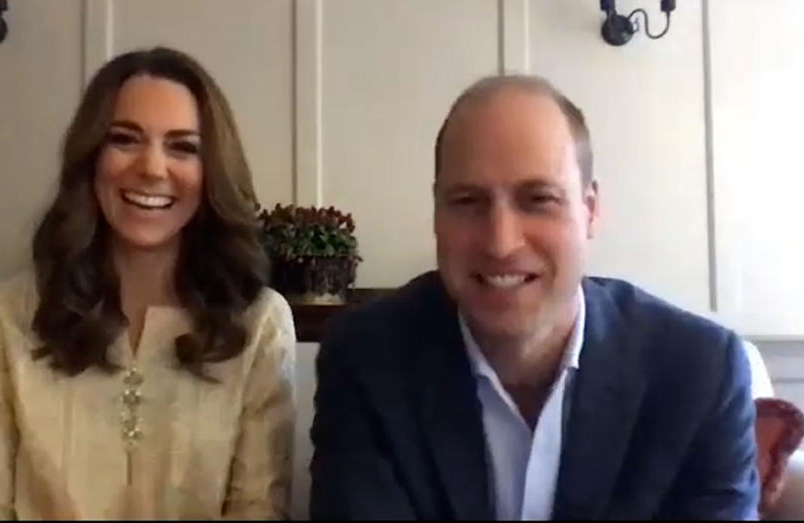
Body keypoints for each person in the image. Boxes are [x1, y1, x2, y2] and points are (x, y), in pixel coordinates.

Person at [310, 75, 759, 520]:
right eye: (468, 201)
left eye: (538, 199)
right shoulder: (366, 359)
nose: (501, 243)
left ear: (590, 210)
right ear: (436, 212)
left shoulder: (699, 373)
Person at [0, 47, 296, 520]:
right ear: (91, 157)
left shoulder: (259, 326)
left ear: (211, 170)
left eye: (183, 147)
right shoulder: (7, 315)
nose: (153, 168)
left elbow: (259, 510)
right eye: (125, 139)